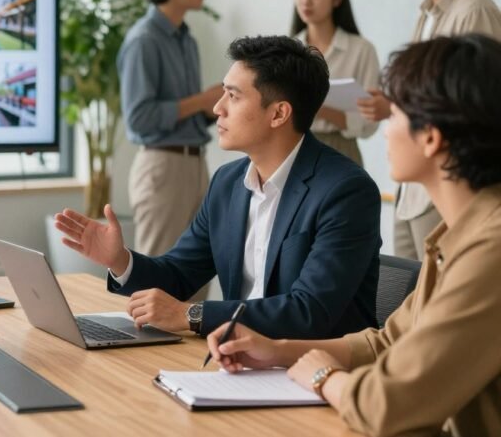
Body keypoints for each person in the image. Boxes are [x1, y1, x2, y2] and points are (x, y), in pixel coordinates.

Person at [207, 34, 501, 437]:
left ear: (431, 137)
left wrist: (323, 375)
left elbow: (388, 406)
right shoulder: (456, 237)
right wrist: (277, 351)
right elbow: (386, 343)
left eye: (393, 113)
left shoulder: (491, 251)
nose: (382, 128)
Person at [56, 36, 381, 339]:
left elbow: (309, 311)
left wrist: (192, 315)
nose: (217, 108)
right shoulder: (228, 182)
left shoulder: (346, 191)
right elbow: (180, 275)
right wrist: (121, 260)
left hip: (315, 373)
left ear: (279, 113)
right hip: (239, 359)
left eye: (234, 96)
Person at [357, 0, 501, 261]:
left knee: (441, 297)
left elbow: (477, 103)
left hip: (450, 179)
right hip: (413, 189)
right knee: (406, 299)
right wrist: (394, 104)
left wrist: (394, 105)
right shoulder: (429, 14)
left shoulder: (475, 11)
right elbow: (433, 93)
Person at [117, 0, 224, 266]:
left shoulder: (185, 39)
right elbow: (139, 119)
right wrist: (201, 100)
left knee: (197, 270)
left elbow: (185, 112)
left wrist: (211, 106)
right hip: (163, 168)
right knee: (157, 276)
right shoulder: (144, 40)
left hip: (195, 163)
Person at [291, 0, 380, 165]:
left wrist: (315, 106)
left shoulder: (362, 49)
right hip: (294, 148)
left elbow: (368, 122)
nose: (306, 0)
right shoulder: (289, 48)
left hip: (341, 150)